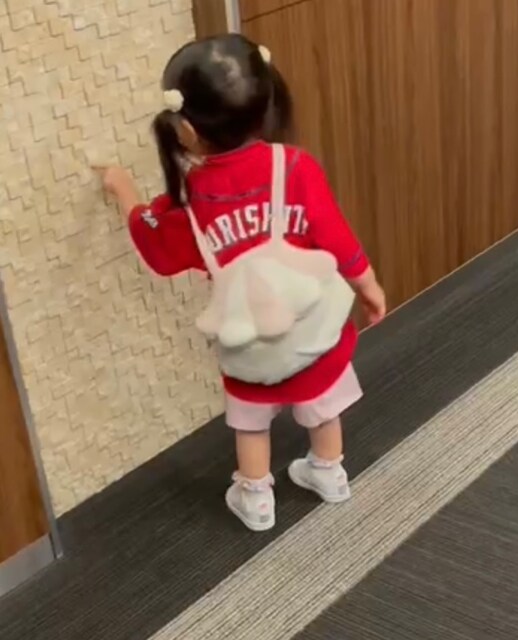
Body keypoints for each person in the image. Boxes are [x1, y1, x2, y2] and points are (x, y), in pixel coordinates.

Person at [95, 34, 386, 532]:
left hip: (250, 341)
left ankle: (255, 499)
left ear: (186, 130)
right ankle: (329, 472)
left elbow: (158, 249)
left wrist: (125, 193)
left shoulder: (194, 198)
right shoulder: (296, 166)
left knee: (251, 419)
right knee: (321, 399)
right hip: (312, 329)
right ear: (268, 100)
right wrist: (368, 284)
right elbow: (336, 236)